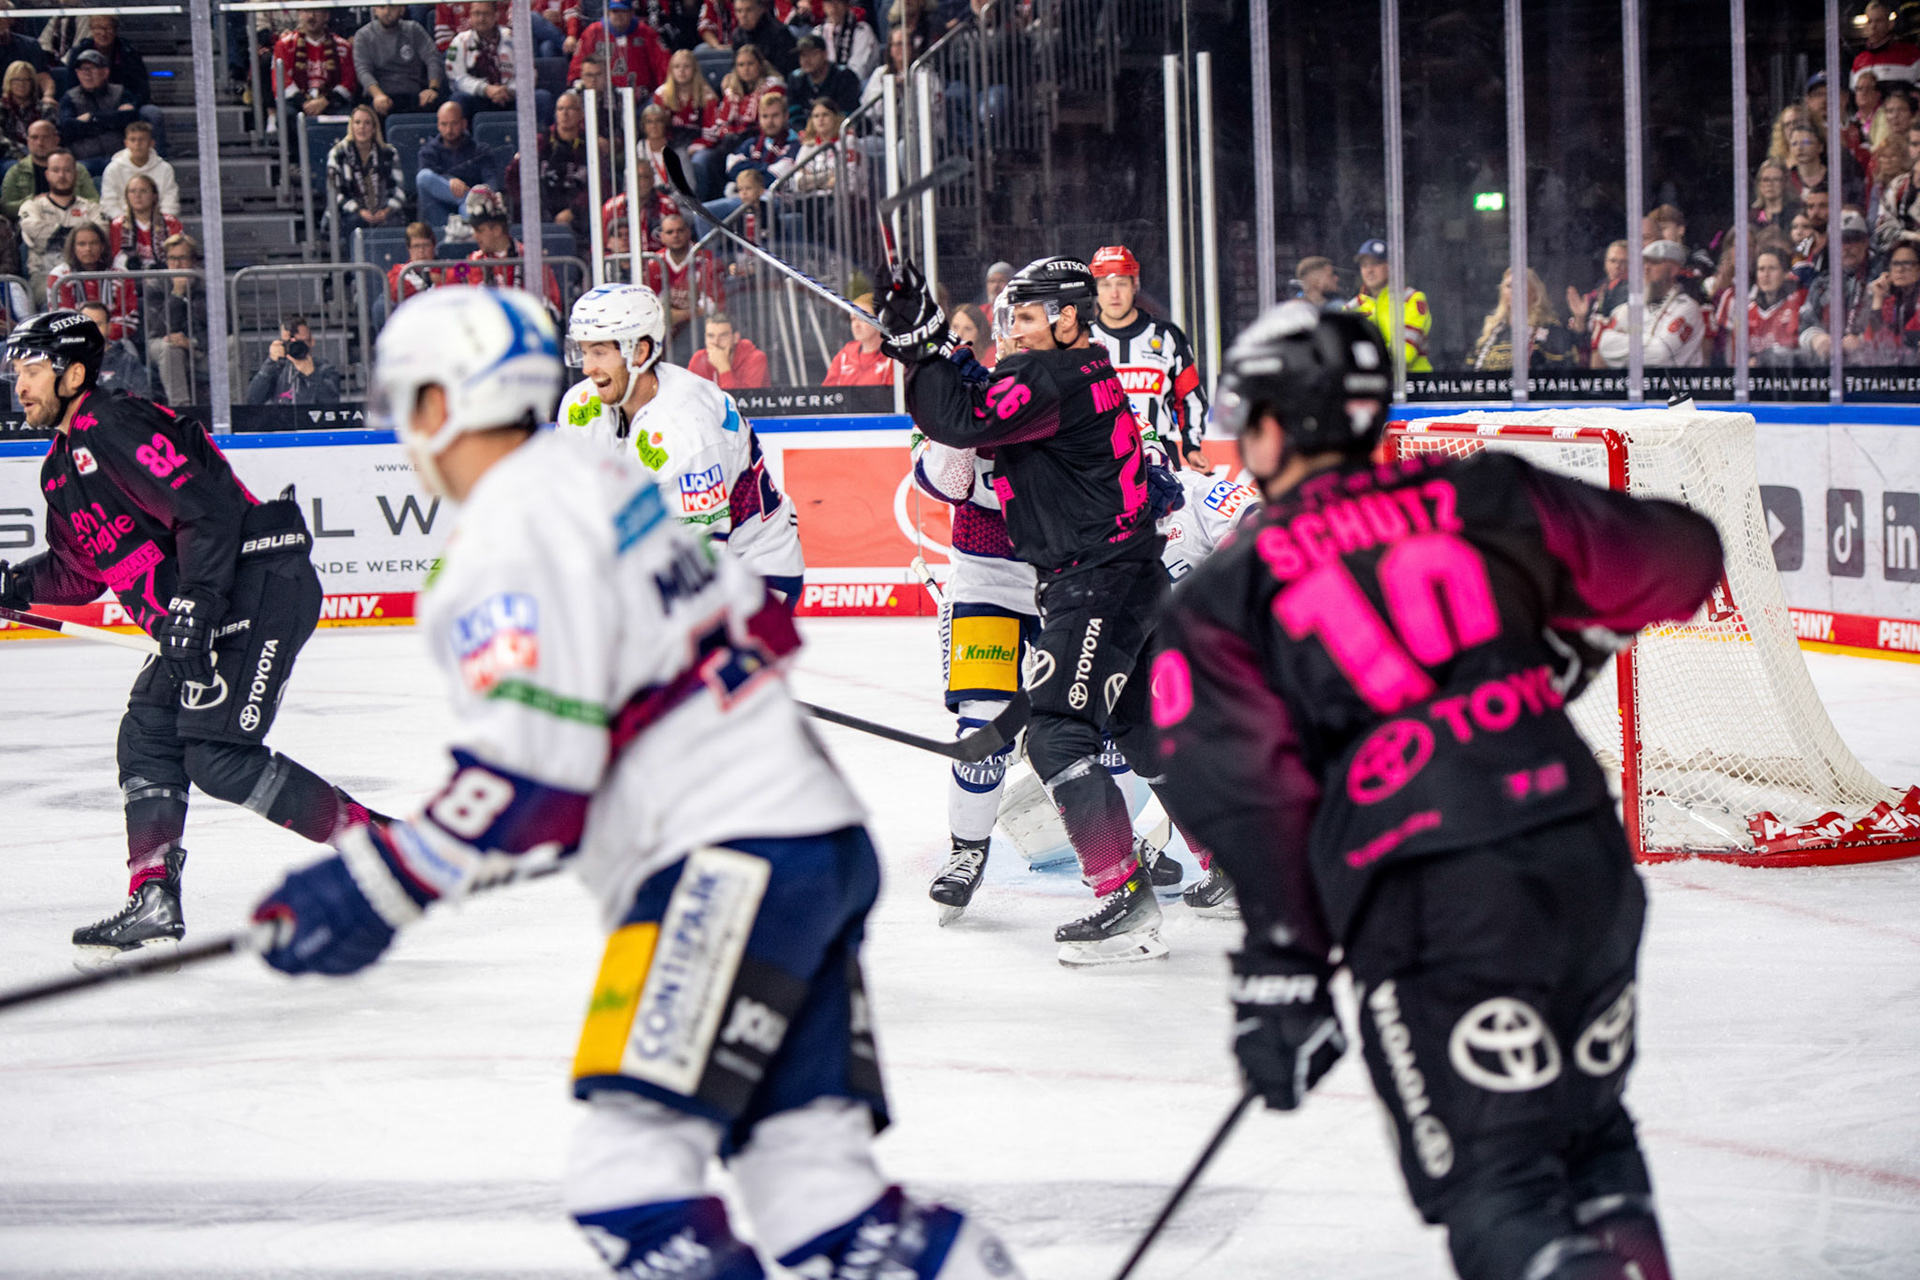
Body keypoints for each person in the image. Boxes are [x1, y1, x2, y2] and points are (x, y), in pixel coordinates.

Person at [249, 284, 1022, 1280]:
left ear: (442, 406)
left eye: (403, 406)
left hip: (724, 863)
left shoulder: (503, 539)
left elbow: (534, 770)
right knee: (816, 1191)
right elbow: (742, 632)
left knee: (630, 1183)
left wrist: (372, 884)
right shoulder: (597, 481)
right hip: (809, 842)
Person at [1149, 302, 1721, 1280]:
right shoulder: (1484, 493)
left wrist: (1281, 966)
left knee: (1497, 1186)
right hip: (1583, 856)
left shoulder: (1225, 593)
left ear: (1279, 425)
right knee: (1589, 1137)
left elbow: (1246, 797)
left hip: (1431, 892)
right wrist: (1567, 639)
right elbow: (1684, 558)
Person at [0, 310, 377, 961]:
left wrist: (194, 606)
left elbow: (208, 510)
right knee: (148, 731)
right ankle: (152, 894)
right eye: (16, 372)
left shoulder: (113, 421)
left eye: (32, 369)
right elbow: (79, 572)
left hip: (256, 586)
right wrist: (13, 587)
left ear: (75, 373)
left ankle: (390, 850)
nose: (19, 384)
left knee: (218, 757)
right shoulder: (60, 469)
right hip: (208, 610)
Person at [880, 255, 1189, 965]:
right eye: (1010, 319)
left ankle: (1124, 898)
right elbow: (956, 443)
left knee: (1055, 737)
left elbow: (960, 416)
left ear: (1068, 317)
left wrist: (922, 351)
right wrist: (932, 350)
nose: (1013, 331)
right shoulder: (1081, 371)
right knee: (1141, 734)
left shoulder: (1039, 378)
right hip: (1100, 572)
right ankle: (1235, 864)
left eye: (1025, 317)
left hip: (1091, 581)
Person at [557, 282, 805, 596]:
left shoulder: (687, 427)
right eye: (583, 350)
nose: (588, 367)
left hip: (754, 569)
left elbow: (699, 563)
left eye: (600, 352)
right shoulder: (579, 406)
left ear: (639, 352)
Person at [1086, 243, 1208, 471]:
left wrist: (1191, 447)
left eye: (1122, 283)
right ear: (1095, 290)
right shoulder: (1082, 339)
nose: (1114, 293)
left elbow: (1190, 396)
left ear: (1135, 285)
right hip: (1099, 456)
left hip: (1159, 454)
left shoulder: (1167, 336)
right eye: (1105, 284)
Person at [1592, 240, 1705, 368]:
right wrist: (1651, 341)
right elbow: (1605, 345)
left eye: (1654, 263)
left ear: (1673, 270)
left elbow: (1659, 355)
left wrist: (1623, 348)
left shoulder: (1687, 308)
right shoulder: (1628, 309)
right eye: (1645, 262)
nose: (1646, 268)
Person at [63, 15, 165, 154]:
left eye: (108, 28)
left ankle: (157, 160)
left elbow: (142, 89)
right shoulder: (79, 52)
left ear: (116, 30)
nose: (103, 33)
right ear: (91, 29)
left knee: (152, 113)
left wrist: (131, 105)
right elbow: (72, 89)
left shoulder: (128, 51)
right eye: (98, 28)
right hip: (87, 103)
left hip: (123, 102)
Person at [447, 0, 551, 119]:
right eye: (476, 14)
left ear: (496, 15)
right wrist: (486, 89)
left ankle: (540, 136)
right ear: (470, 15)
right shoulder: (460, 41)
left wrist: (509, 91)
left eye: (486, 14)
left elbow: (529, 74)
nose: (481, 19)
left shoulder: (513, 38)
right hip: (478, 98)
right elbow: (457, 78)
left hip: (511, 96)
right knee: (457, 100)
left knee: (543, 98)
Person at [1466, 267, 1579, 372]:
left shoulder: (1551, 332)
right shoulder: (1492, 332)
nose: (1513, 290)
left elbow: (1563, 375)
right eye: (1509, 286)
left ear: (1534, 293)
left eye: (1519, 285)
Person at [19, 148, 99, 296]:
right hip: (45, 275)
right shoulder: (32, 206)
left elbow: (101, 236)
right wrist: (82, 235)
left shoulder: (92, 208)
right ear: (47, 175)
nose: (62, 175)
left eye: (67, 170)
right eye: (56, 170)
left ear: (76, 174)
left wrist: (55, 235)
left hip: (86, 274)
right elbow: (35, 233)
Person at [1347, 236, 1432, 372]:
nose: (1369, 270)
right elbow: (1343, 356)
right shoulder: (1351, 307)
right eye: (1364, 265)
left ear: (1391, 267)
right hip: (1373, 387)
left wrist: (1363, 354)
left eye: (1375, 263)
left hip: (1413, 386)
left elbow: (1405, 354)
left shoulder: (1411, 299)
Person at [1801, 208, 1875, 363]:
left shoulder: (1880, 279)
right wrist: (1816, 339)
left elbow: (1890, 329)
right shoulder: (1821, 283)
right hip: (1826, 368)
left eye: (1853, 239)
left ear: (1866, 242)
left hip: (1871, 367)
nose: (1847, 247)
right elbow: (1804, 324)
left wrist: (1863, 340)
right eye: (1841, 240)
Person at [1714, 244, 1807, 367]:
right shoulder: (1747, 311)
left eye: (1772, 268)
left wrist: (1763, 359)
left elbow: (1806, 353)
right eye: (1761, 269)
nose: (1766, 275)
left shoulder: (1800, 303)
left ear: (1786, 273)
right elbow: (1737, 359)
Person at [142, 232, 206, 404]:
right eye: (172, 258)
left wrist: (192, 342)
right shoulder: (155, 284)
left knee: (233, 344)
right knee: (169, 348)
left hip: (200, 344)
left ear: (193, 260)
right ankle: (181, 408)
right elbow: (159, 328)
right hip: (161, 341)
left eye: (182, 258)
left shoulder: (205, 283)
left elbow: (222, 325)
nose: (176, 264)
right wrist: (177, 294)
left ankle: (235, 406)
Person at [642, 212, 724, 343]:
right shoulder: (655, 262)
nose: (675, 235)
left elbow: (713, 305)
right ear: (662, 237)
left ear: (688, 232)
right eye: (670, 232)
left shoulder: (707, 259)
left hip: (701, 328)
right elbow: (648, 303)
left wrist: (678, 316)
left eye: (680, 230)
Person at [327, 104, 406, 239]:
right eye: (357, 122)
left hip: (385, 211)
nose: (362, 127)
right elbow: (336, 194)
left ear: (374, 128)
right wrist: (359, 211)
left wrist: (386, 211)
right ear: (351, 126)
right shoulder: (338, 153)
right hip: (351, 212)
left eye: (367, 123)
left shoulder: (389, 153)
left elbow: (399, 190)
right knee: (353, 222)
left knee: (394, 222)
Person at [354, 4, 445, 117]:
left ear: (401, 9)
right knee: (370, 113)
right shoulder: (363, 35)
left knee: (433, 103)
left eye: (392, 7)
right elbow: (363, 70)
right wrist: (377, 95)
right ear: (375, 10)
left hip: (413, 93)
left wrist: (433, 88)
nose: (387, 12)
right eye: (382, 7)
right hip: (381, 94)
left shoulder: (414, 29)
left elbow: (432, 57)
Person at [45, 219, 131, 338]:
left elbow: (128, 320)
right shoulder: (59, 276)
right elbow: (63, 321)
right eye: (82, 244)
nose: (88, 249)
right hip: (74, 342)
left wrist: (101, 337)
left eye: (94, 243)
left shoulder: (120, 274)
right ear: (73, 248)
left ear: (102, 246)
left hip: (114, 340)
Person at [55, 47, 136, 176]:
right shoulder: (70, 97)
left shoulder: (120, 92)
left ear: (105, 72)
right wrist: (111, 119)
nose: (87, 74)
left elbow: (129, 118)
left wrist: (92, 118)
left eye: (92, 68)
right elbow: (67, 128)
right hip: (85, 159)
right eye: (82, 69)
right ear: (77, 73)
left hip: (119, 156)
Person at [0, 117, 99, 220]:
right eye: (34, 138)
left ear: (56, 140)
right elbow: (6, 208)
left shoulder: (77, 169)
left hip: (74, 222)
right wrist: (33, 202)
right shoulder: (16, 171)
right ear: (28, 141)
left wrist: (72, 202)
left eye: (45, 137)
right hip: (31, 223)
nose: (40, 143)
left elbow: (95, 201)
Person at [416, 99, 492, 231]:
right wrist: (451, 181)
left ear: (464, 124)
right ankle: (467, 200)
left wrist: (474, 193)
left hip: (471, 214)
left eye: (454, 124)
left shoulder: (480, 150)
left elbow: (491, 182)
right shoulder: (427, 151)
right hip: (439, 214)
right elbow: (426, 182)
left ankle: (467, 202)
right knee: (423, 177)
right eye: (444, 124)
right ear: (438, 125)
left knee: (473, 203)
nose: (448, 130)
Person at [569, 0, 670, 93]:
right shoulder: (593, 32)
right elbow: (578, 65)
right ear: (608, 12)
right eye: (615, 11)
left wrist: (662, 90)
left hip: (642, 99)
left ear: (631, 13)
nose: (618, 15)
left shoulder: (646, 33)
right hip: (602, 100)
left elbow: (663, 63)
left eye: (623, 11)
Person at [275, 8, 358, 120]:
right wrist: (303, 102)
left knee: (346, 114)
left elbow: (348, 81)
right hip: (298, 104)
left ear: (326, 15)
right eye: (306, 11)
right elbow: (281, 81)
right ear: (299, 13)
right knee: (286, 115)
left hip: (332, 102)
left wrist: (325, 100)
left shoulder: (343, 46)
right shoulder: (285, 45)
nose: (311, 17)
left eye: (317, 11)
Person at [247, 314, 343, 404]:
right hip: (282, 419)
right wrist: (270, 362)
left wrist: (312, 375)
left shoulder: (324, 368)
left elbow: (332, 401)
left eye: (300, 342)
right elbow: (253, 400)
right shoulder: (277, 369)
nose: (296, 346)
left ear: (312, 342)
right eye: (290, 343)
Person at [96, 118, 176, 220]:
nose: (137, 144)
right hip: (123, 224)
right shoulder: (113, 169)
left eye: (142, 139)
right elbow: (109, 203)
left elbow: (170, 203)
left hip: (158, 225)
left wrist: (157, 223)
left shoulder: (165, 169)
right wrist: (127, 223)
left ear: (151, 143)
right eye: (133, 140)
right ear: (126, 143)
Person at [107, 171, 178, 269]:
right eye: (132, 191)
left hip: (164, 277)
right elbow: (114, 259)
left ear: (154, 195)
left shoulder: (170, 222)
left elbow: (179, 256)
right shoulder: (117, 225)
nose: (137, 195)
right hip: (128, 279)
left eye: (143, 191)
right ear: (127, 196)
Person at [784, 35, 860, 125]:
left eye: (812, 54)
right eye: (803, 55)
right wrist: (804, 131)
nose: (806, 60)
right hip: (807, 133)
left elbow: (849, 112)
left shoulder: (844, 76)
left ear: (825, 54)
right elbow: (794, 113)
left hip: (841, 132)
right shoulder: (796, 79)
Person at [78, 296, 147, 395]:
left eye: (98, 324)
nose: (92, 329)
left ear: (108, 327)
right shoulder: (69, 363)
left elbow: (142, 401)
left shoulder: (128, 363)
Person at [654, 46, 718, 150]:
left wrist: (696, 146)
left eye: (686, 66)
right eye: (677, 67)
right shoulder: (661, 94)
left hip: (698, 142)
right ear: (671, 70)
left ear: (694, 70)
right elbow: (657, 129)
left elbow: (712, 132)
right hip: (671, 142)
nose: (681, 71)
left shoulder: (708, 96)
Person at [822, 292, 892, 385]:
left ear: (880, 320)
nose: (856, 325)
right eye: (853, 319)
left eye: (862, 319)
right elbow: (829, 395)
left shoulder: (892, 358)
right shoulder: (845, 356)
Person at [687, 309, 769, 387]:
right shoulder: (699, 358)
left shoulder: (756, 358)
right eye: (710, 336)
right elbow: (689, 395)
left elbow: (742, 399)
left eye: (723, 335)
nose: (716, 342)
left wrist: (723, 368)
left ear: (735, 338)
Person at [1854, 1, 1920, 93]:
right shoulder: (1859, 61)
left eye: (1879, 21)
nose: (1873, 26)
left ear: (1890, 24)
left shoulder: (1912, 55)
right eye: (1869, 21)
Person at [0, 57, 51, 159]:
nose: (21, 84)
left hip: (42, 154)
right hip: (10, 156)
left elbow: (53, 136)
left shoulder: (45, 108)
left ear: (32, 83)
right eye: (16, 80)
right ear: (8, 82)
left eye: (26, 80)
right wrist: (21, 153)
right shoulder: (2, 106)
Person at [731, 0, 797, 75]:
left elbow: (785, 68)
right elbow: (735, 65)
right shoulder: (737, 35)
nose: (743, 15)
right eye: (739, 11)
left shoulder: (778, 32)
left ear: (760, 10)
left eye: (749, 10)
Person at [817, 0, 876, 78]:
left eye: (838, 2)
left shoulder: (862, 31)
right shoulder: (817, 32)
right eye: (829, 2)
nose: (833, 7)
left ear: (847, 5)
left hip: (855, 84)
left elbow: (859, 70)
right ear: (823, 6)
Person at [387, 219, 442, 303]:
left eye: (426, 245)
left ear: (433, 245)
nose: (421, 250)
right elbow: (397, 293)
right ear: (409, 248)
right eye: (416, 246)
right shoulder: (400, 271)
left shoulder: (446, 268)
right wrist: (428, 279)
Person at [947, 301, 993, 368]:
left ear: (980, 333)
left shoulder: (991, 361)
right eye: (955, 327)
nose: (959, 334)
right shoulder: (942, 360)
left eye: (967, 329)